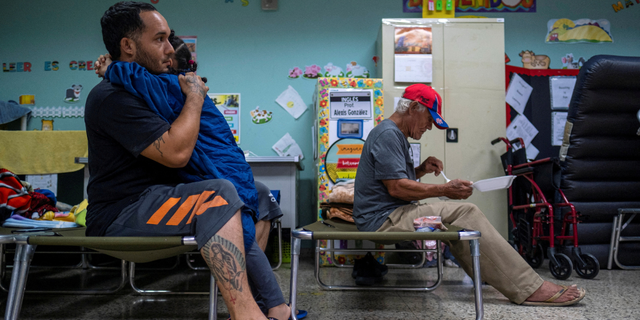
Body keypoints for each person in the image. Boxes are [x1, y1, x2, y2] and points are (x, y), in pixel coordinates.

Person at [85, 2, 283, 319]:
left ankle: (273, 304)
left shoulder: (151, 87)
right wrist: (194, 97)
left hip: (162, 194)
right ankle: (246, 312)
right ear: (128, 46)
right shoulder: (112, 97)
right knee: (219, 194)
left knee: (257, 192)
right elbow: (177, 153)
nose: (169, 48)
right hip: (122, 211)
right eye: (159, 39)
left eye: (169, 38)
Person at [353, 83, 587, 307]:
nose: (430, 126)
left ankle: (501, 278)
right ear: (414, 108)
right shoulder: (388, 134)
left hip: (389, 214)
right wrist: (444, 189)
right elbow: (397, 188)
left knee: (461, 222)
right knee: (466, 211)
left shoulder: (394, 135)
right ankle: (529, 287)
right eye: (429, 119)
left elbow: (390, 181)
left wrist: (420, 170)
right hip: (383, 220)